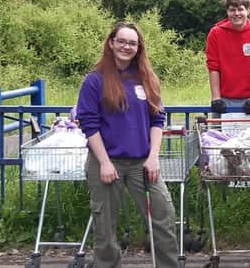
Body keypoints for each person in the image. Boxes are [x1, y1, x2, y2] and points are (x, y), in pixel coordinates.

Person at [76, 22, 178, 268]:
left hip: (142, 162)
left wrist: (153, 157)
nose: (126, 47)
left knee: (163, 216)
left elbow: (157, 119)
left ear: (138, 47)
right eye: (121, 41)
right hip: (106, 162)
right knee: (105, 226)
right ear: (111, 43)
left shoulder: (146, 78)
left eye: (132, 43)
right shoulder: (94, 80)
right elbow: (89, 125)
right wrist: (104, 163)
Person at [206, 0, 250, 116]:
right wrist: (216, 98)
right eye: (232, 10)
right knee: (218, 135)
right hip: (223, 101)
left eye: (240, 9)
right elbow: (213, 67)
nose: (236, 13)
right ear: (227, 11)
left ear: (248, 10)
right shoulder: (215, 34)